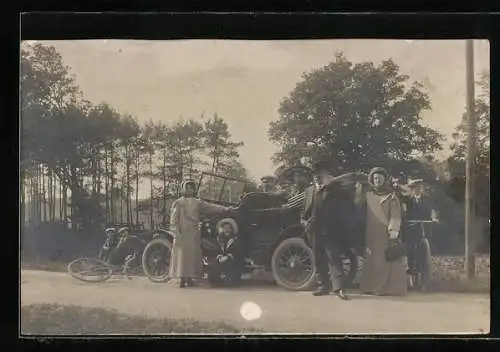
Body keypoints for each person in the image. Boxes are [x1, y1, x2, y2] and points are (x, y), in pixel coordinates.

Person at [303, 160, 353, 300]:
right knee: (318, 259)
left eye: (320, 175)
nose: (317, 177)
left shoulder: (334, 189)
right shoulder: (309, 191)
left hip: (330, 231)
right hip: (314, 231)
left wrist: (332, 185)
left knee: (335, 260)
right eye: (315, 175)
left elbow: (344, 205)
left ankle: (340, 289)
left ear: (325, 174)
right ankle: (323, 286)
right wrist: (304, 221)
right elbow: (306, 208)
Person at [169, 179, 232, 288]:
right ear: (183, 189)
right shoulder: (178, 202)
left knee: (192, 256)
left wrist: (225, 209)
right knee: (181, 256)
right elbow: (174, 218)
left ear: (194, 190)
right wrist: (175, 231)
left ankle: (189, 279)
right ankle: (182, 279)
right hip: (182, 233)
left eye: (191, 188)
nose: (189, 190)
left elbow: (211, 207)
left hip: (193, 233)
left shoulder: (197, 202)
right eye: (187, 188)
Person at [358, 167, 408, 296]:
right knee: (372, 261)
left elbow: (395, 216)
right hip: (371, 233)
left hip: (385, 234)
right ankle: (371, 287)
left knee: (386, 261)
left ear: (385, 180)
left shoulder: (392, 196)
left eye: (380, 178)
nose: (377, 180)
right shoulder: (368, 195)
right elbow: (359, 212)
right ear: (371, 180)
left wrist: (393, 232)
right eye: (375, 178)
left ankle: (388, 288)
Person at [401, 179, 439, 283]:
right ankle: (410, 267)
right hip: (411, 228)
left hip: (424, 227)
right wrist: (404, 219)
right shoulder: (408, 200)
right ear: (412, 190)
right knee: (410, 246)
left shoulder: (427, 200)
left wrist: (434, 218)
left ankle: (425, 267)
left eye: (419, 187)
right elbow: (404, 211)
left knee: (426, 245)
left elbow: (432, 210)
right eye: (415, 188)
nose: (418, 190)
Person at [208, 218, 244, 287]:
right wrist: (219, 257)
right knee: (214, 267)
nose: (227, 230)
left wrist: (227, 257)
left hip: (232, 260)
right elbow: (215, 250)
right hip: (221, 259)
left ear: (232, 229)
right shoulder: (219, 239)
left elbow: (238, 252)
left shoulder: (236, 239)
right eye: (225, 228)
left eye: (229, 228)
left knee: (231, 280)